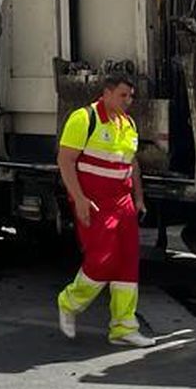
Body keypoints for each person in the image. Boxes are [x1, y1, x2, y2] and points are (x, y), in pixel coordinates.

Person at [55, 74, 154, 348]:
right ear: (107, 93)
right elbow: (65, 161)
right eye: (123, 95)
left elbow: (131, 165)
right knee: (103, 259)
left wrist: (139, 199)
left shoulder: (128, 123)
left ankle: (123, 327)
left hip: (123, 202)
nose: (128, 101)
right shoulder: (83, 118)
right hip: (95, 201)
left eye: (131, 96)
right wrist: (79, 198)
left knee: (128, 262)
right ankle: (69, 302)